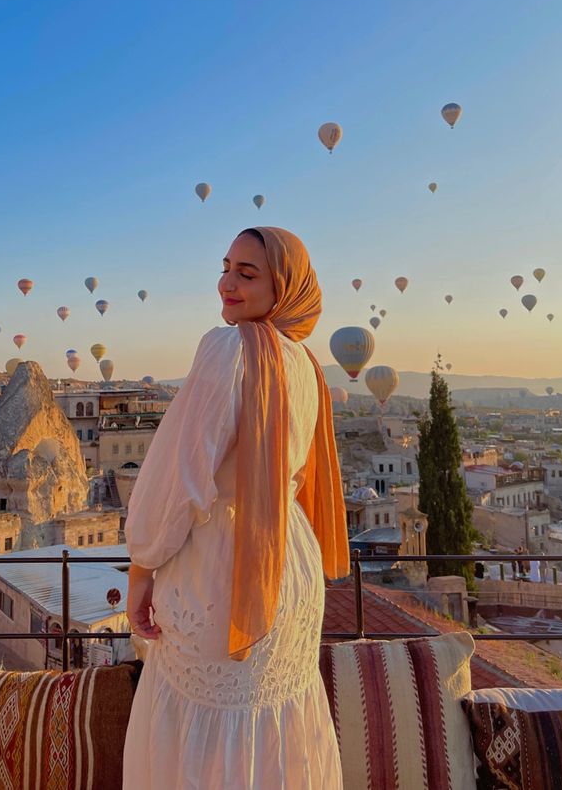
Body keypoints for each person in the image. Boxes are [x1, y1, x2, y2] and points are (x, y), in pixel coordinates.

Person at [123, 227, 349, 789]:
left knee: (206, 750)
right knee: (271, 745)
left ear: (284, 287)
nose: (227, 283)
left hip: (223, 571)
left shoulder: (230, 348)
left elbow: (180, 478)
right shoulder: (306, 366)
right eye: (225, 268)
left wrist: (141, 567)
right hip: (289, 571)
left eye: (247, 273)